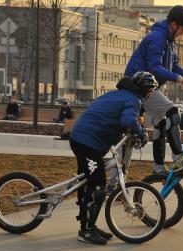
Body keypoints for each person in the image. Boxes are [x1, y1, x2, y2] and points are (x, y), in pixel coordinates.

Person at [69, 71, 157, 245]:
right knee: (99, 187)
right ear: (144, 90)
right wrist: (142, 135)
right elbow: (127, 122)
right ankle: (86, 231)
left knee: (88, 183)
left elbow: (117, 118)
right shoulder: (133, 100)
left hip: (86, 139)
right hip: (87, 142)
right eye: (150, 90)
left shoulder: (120, 95)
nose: (150, 94)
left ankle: (88, 226)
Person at [124, 5, 183, 173]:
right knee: (172, 112)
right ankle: (179, 158)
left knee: (157, 125)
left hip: (147, 89)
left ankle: (158, 167)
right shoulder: (157, 38)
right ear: (174, 24)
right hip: (138, 88)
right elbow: (154, 67)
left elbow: (174, 67)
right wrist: (179, 79)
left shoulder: (170, 43)